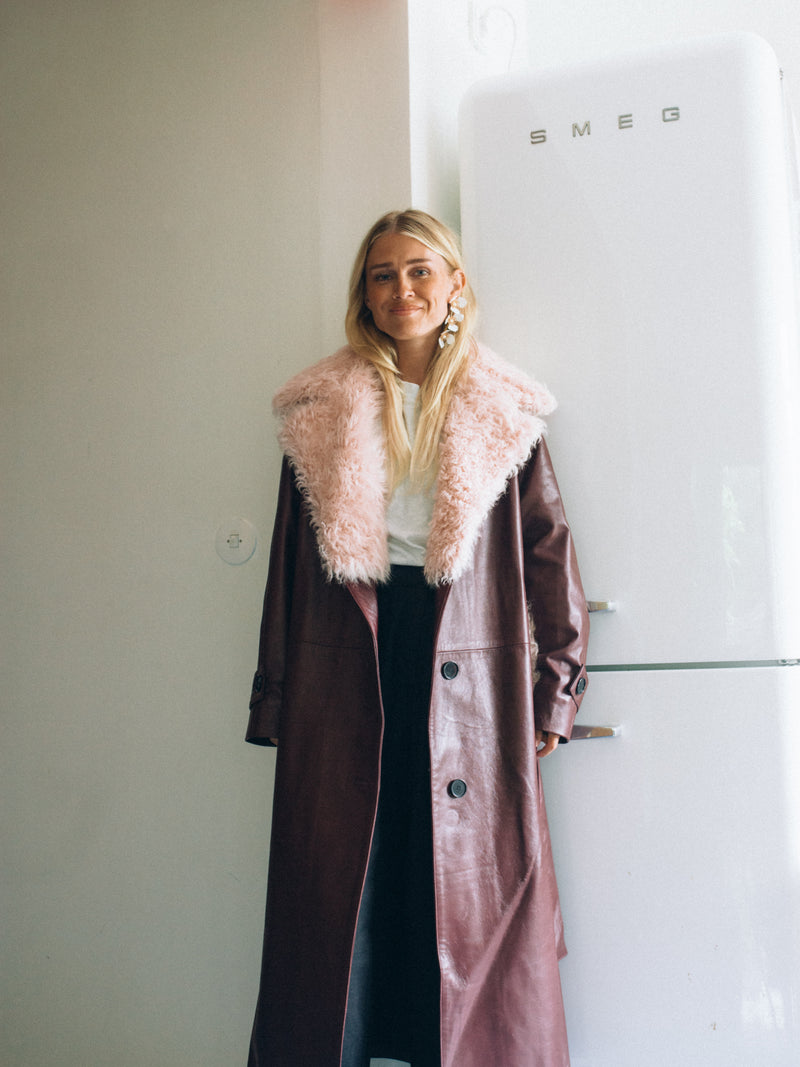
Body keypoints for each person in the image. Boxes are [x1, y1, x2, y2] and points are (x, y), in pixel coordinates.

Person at [246, 209, 589, 1067]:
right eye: (383, 274)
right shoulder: (319, 408)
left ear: (454, 284)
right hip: (350, 653)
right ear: (364, 294)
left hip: (470, 654)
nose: (402, 289)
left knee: (459, 883)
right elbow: (288, 567)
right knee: (351, 885)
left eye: (419, 270)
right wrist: (277, 697)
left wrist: (557, 689)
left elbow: (549, 553)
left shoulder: (503, 409)